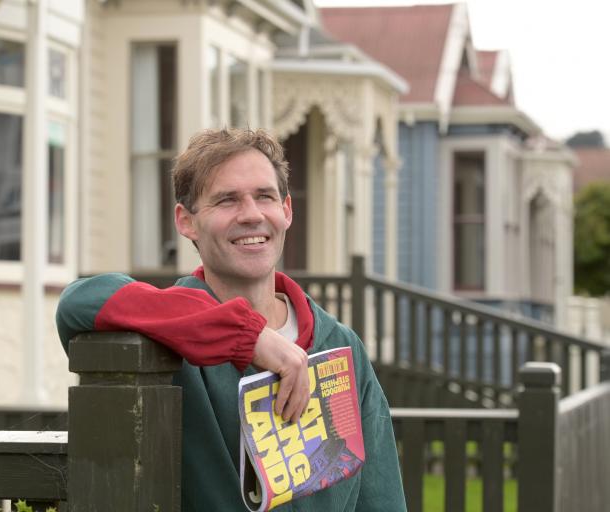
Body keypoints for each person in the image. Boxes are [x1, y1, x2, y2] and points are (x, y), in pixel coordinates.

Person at [56, 128, 407, 511]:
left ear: (286, 210)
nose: (252, 215)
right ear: (186, 221)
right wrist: (248, 337)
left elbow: (380, 496)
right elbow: (78, 302)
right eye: (226, 200)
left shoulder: (341, 345)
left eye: (264, 197)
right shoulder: (164, 333)